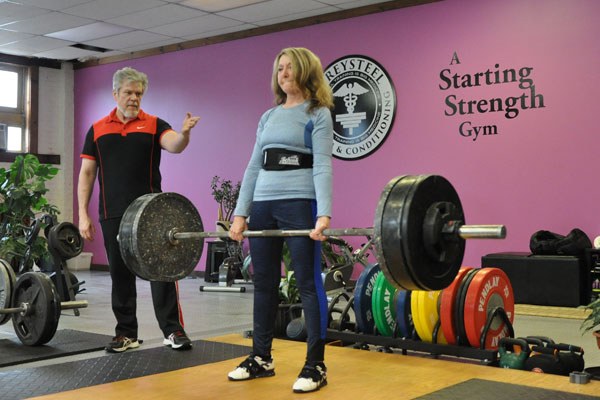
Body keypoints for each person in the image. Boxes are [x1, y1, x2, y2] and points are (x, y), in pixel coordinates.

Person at [227, 47, 334, 393]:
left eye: (289, 68)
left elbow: (321, 165)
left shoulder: (318, 113)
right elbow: (253, 166)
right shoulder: (268, 117)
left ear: (304, 72)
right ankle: (261, 358)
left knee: (306, 282)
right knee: (264, 283)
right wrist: (240, 213)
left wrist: (323, 213)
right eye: (279, 69)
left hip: (299, 202)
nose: (283, 73)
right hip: (263, 204)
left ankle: (315, 364)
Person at [77, 67, 200, 353]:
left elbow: (175, 145)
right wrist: (83, 214)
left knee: (161, 272)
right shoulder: (97, 129)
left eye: (139, 93)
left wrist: (184, 134)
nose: (134, 98)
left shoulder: (155, 124)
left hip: (151, 214)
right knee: (120, 275)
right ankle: (126, 334)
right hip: (112, 213)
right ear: (116, 94)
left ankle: (173, 330)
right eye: (129, 93)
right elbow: (87, 173)